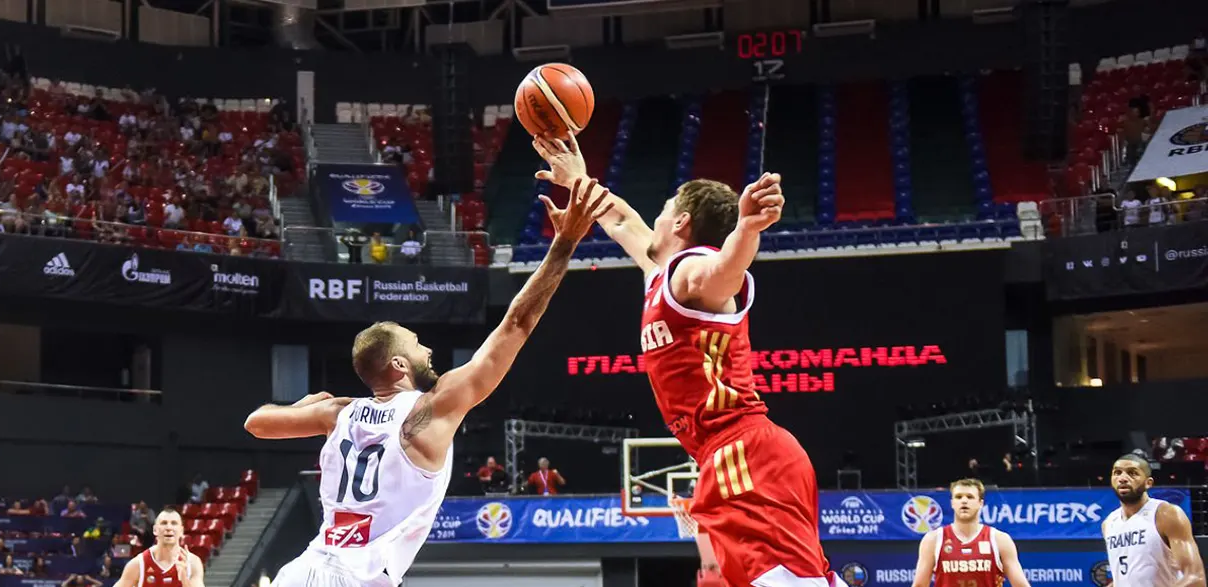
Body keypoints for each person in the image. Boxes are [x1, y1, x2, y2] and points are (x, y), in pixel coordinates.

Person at [243, 176, 609, 587]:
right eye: (418, 346)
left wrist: (299, 407)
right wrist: (564, 245)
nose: (428, 351)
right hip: (359, 578)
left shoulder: (336, 412)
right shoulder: (430, 409)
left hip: (303, 570)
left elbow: (256, 423)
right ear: (399, 364)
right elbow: (517, 323)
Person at [534, 133, 828, 587]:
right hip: (735, 455)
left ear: (682, 221)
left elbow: (725, 271)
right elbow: (618, 219)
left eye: (665, 208)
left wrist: (746, 230)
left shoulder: (694, 270)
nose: (655, 216)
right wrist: (576, 179)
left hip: (743, 452)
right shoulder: (662, 275)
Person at [1103, 454, 1205, 587]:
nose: (1122, 478)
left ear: (1148, 483)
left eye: (1132, 473)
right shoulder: (1109, 523)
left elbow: (1196, 578)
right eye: (1117, 473)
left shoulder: (1166, 514)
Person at [909, 479, 1030, 587]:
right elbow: (920, 584)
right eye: (958, 497)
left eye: (970, 497)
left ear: (980, 503)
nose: (964, 501)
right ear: (952, 503)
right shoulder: (934, 539)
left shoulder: (999, 539)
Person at [113, 510, 203, 587]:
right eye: (164, 523)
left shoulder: (192, 563)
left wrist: (184, 578)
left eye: (174, 523)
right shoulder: (138, 564)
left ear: (181, 531)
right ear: (155, 530)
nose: (169, 527)